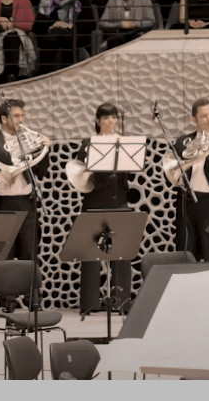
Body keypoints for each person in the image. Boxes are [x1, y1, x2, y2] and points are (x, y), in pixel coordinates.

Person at [76, 103, 134, 315]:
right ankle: (89, 303)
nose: (111, 122)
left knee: (121, 251)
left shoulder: (124, 143)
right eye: (106, 118)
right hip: (95, 201)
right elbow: (82, 173)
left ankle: (122, 300)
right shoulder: (87, 144)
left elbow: (129, 173)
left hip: (118, 201)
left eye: (113, 118)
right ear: (98, 121)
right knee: (92, 253)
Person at [0, 98, 51, 261]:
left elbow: (41, 172)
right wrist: (1, 175)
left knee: (29, 255)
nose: (21, 120)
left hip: (27, 203)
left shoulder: (28, 140)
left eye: (22, 116)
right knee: (4, 255)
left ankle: (29, 288)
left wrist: (45, 150)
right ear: (4, 119)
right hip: (3, 204)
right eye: (16, 116)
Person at [165, 98, 209, 262]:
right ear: (194, 119)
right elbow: (174, 173)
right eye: (204, 116)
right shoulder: (183, 142)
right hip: (188, 203)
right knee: (187, 256)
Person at [35, 0, 92, 73]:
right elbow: (37, 25)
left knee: (63, 36)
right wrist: (52, 26)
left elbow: (89, 24)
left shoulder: (82, 2)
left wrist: (69, 26)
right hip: (51, 35)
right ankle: (47, 74)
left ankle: (46, 72)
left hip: (74, 35)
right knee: (55, 34)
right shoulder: (46, 1)